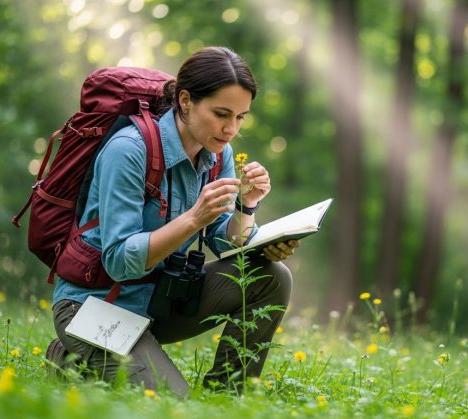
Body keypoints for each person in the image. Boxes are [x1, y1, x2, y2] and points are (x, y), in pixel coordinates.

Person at [46, 46, 299, 396]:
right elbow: (119, 261)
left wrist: (247, 206)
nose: (230, 129)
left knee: (268, 276)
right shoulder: (129, 150)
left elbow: (225, 243)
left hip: (157, 301)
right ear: (185, 101)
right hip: (94, 306)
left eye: (241, 117)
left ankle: (226, 396)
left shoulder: (217, 155)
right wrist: (195, 217)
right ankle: (70, 356)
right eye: (221, 113)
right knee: (168, 400)